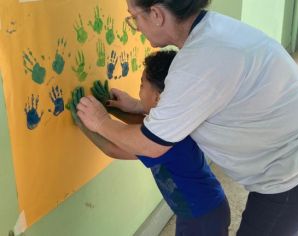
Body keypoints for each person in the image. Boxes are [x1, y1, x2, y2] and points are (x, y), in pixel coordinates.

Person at [76, 0, 298, 235]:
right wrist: (138, 106)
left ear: (157, 14)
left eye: (133, 17)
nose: (135, 26)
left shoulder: (198, 62)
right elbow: (196, 100)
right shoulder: (213, 31)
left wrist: (100, 121)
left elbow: (150, 143)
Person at [71, 50, 231, 236]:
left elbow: (114, 148)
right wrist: (109, 106)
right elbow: (142, 128)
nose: (139, 92)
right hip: (203, 209)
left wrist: (86, 124)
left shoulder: (169, 142)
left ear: (158, 98)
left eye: (141, 85)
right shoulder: (175, 123)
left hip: (202, 217)